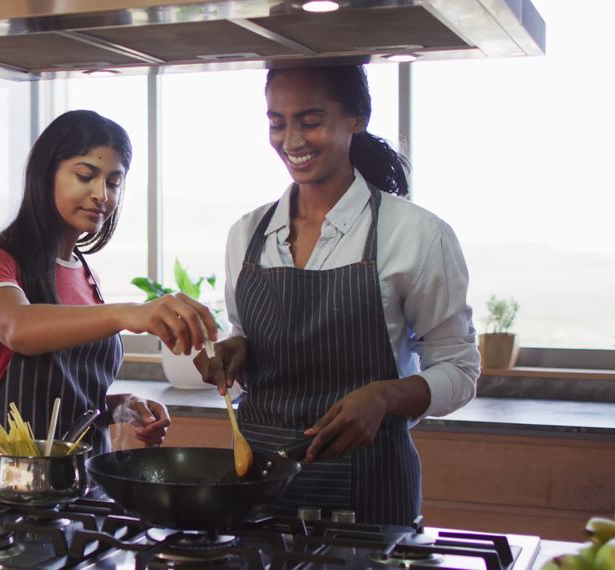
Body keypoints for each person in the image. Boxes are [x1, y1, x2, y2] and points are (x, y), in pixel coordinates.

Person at [195, 65, 479, 525]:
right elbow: (245, 332)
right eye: (277, 122)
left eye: (310, 121)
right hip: (256, 497)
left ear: (357, 118)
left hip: (370, 501)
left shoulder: (416, 235)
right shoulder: (247, 235)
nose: (291, 141)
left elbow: (460, 370)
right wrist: (235, 351)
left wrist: (386, 397)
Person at [0, 109, 217, 482]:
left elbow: (65, 402)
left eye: (113, 182)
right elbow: (19, 328)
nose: (101, 195)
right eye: (85, 176)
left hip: (80, 485)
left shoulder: (83, 273)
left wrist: (119, 407)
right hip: (7, 487)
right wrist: (129, 314)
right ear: (46, 175)